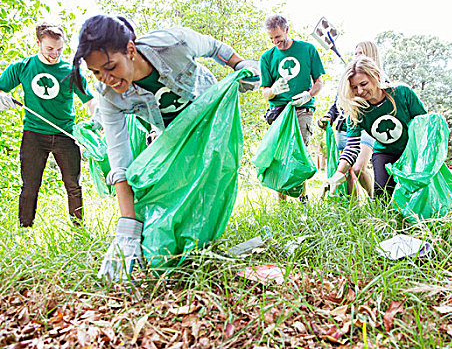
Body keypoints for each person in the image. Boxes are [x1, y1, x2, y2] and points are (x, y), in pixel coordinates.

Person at [70, 15, 260, 281]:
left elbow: (215, 48)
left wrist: (241, 65)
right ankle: (183, 244)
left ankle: (205, 240)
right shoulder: (108, 96)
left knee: (210, 180)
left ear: (130, 50)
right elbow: (120, 159)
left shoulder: (173, 42)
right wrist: (128, 227)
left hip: (209, 117)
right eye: (97, 72)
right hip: (170, 134)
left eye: (111, 67)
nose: (107, 78)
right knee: (170, 185)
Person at [0, 22, 97, 228]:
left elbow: (89, 100)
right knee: (30, 187)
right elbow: (0, 90)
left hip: (65, 134)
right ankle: (25, 228)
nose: (55, 54)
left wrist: (97, 119)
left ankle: (78, 229)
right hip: (34, 134)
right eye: (50, 49)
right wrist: (2, 98)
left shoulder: (71, 71)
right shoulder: (22, 67)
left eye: (60, 49)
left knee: (73, 185)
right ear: (38, 43)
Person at [324, 56, 427, 201]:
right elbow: (352, 147)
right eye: (354, 87)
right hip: (385, 152)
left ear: (376, 76)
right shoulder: (356, 110)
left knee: (418, 194)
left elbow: (424, 124)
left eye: (363, 84)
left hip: (412, 150)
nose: (359, 91)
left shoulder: (402, 93)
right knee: (382, 196)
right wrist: (339, 173)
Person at [260, 14, 325, 202]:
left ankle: (303, 198)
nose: (275, 42)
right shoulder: (267, 57)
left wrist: (308, 95)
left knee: (299, 153)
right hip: (279, 111)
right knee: (279, 155)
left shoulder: (307, 50)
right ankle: (282, 203)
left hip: (302, 108)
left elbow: (319, 82)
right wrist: (273, 90)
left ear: (287, 30)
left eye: (278, 37)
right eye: (272, 39)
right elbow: (264, 92)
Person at [318, 41, 388, 199]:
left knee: (358, 167)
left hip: (368, 129)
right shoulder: (349, 79)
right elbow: (339, 102)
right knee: (348, 170)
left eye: (361, 53)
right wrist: (329, 117)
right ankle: (353, 208)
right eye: (355, 53)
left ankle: (373, 199)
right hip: (346, 127)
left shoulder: (383, 81)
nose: (356, 56)